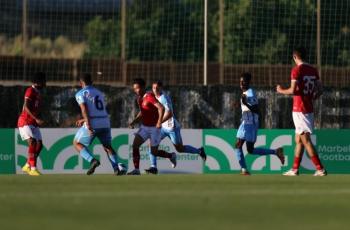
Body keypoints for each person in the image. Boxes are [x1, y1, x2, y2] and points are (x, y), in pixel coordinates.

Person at [277, 46, 326, 176]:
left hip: (300, 109)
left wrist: (280, 90)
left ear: (294, 57)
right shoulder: (313, 70)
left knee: (305, 140)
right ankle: (294, 169)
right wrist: (312, 97)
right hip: (308, 108)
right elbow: (320, 89)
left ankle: (320, 169)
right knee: (298, 139)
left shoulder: (296, 70)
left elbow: (293, 90)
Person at [145, 81, 206, 174]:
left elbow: (170, 114)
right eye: (153, 88)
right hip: (161, 128)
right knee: (151, 145)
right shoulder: (153, 97)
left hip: (171, 127)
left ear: (161, 88)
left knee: (180, 149)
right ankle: (154, 167)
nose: (155, 90)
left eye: (157, 88)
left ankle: (199, 151)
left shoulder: (163, 98)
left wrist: (158, 122)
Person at [73, 73, 126, 175]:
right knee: (107, 146)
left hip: (93, 123)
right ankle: (116, 168)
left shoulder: (80, 93)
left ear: (81, 83)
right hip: (105, 122)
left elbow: (84, 109)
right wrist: (83, 120)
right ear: (92, 82)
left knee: (76, 143)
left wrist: (87, 124)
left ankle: (92, 161)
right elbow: (97, 111)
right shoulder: (99, 93)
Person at [235, 72, 285, 175]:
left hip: (251, 124)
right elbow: (247, 105)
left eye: (243, 81)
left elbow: (256, 109)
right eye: (240, 81)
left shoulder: (250, 93)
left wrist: (245, 104)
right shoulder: (245, 93)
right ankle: (244, 169)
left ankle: (275, 152)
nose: (241, 83)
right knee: (242, 147)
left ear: (248, 82)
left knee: (246, 148)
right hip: (245, 122)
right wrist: (239, 104)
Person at [128, 78, 176, 175]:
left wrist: (159, 122)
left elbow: (161, 108)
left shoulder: (149, 96)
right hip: (144, 128)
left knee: (154, 152)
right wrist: (133, 122)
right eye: (134, 88)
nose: (135, 90)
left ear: (142, 87)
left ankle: (170, 155)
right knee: (135, 146)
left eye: (137, 88)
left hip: (155, 129)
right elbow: (142, 112)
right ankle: (136, 170)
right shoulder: (139, 99)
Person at [18, 72, 46, 176]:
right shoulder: (30, 91)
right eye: (43, 81)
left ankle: (27, 165)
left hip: (33, 122)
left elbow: (36, 108)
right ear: (38, 82)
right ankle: (33, 169)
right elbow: (26, 106)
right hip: (25, 121)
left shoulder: (38, 92)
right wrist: (36, 118)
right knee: (32, 142)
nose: (45, 83)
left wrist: (39, 118)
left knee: (39, 145)